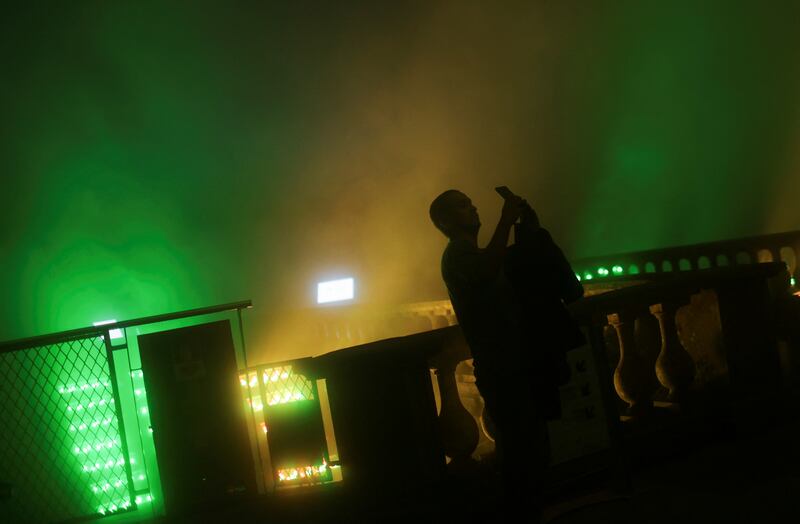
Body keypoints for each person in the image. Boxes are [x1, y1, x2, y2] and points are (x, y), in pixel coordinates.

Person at [429, 188, 584, 519]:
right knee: (522, 456)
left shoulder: (473, 254)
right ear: (444, 221)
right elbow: (487, 268)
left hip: (516, 364)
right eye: (462, 206)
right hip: (503, 369)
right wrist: (506, 219)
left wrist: (523, 227)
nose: (472, 208)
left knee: (533, 450)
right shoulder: (457, 255)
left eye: (470, 203)